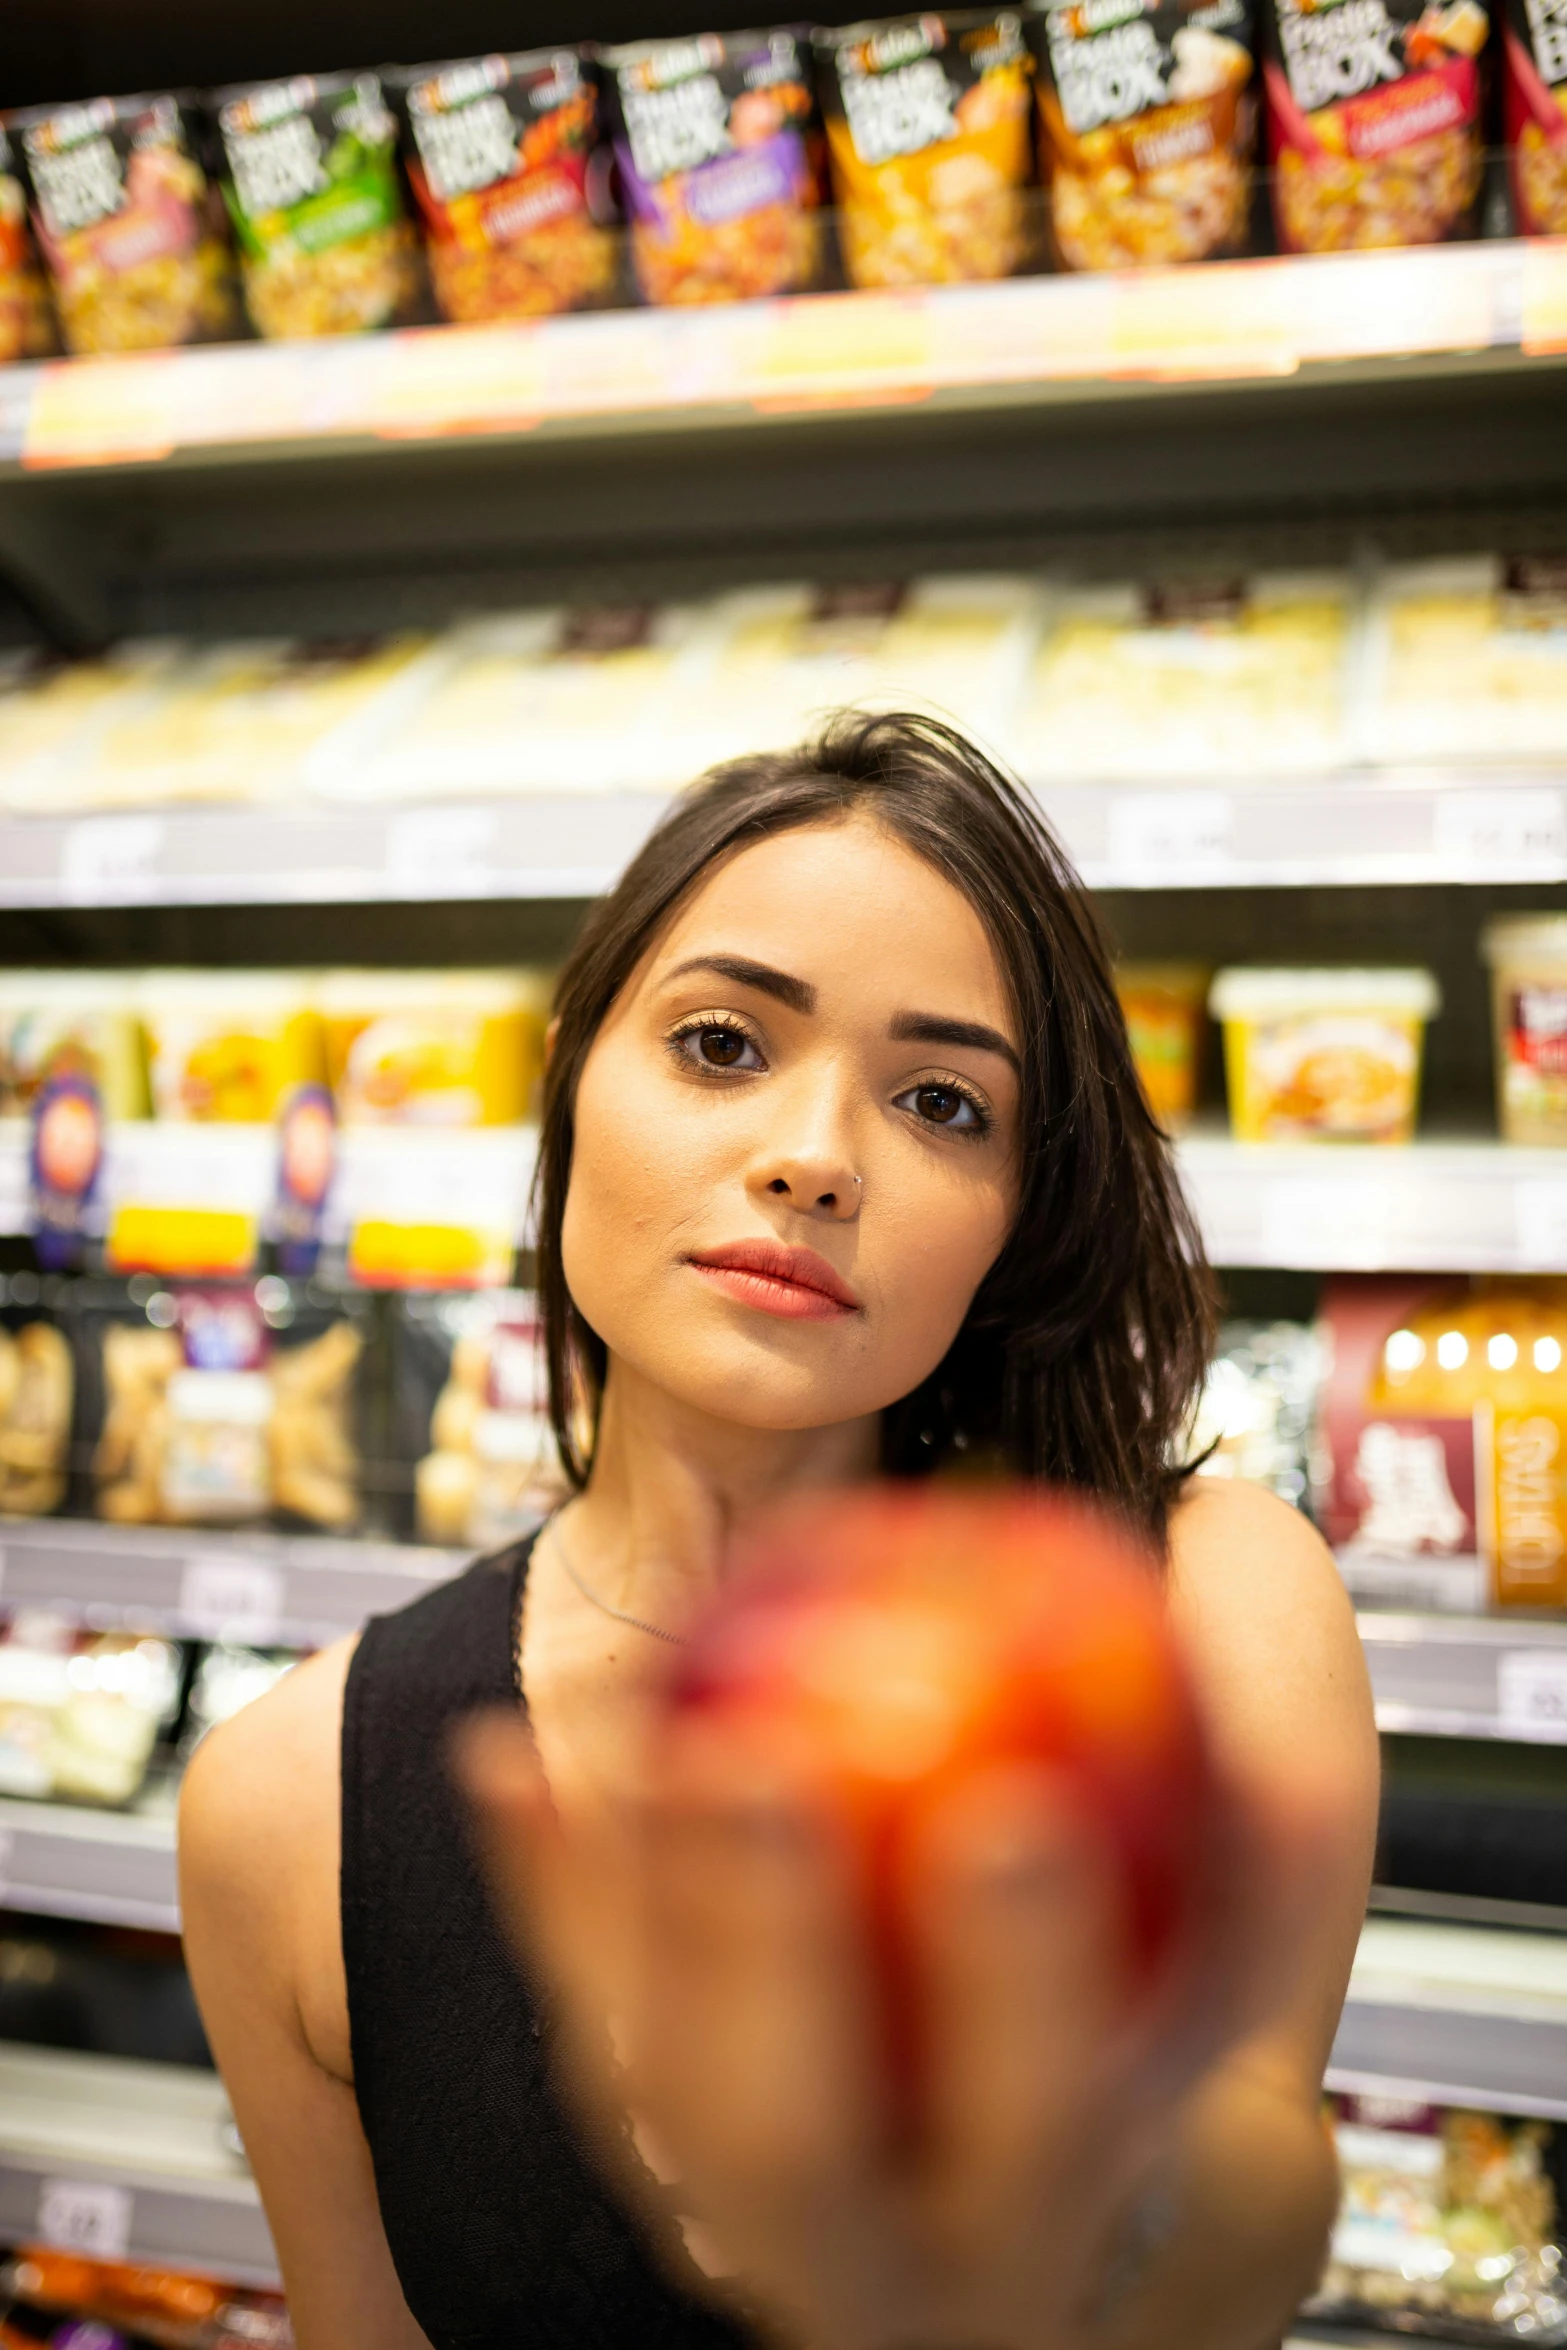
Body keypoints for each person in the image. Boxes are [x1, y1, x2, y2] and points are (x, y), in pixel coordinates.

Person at [180, 711, 1378, 2350]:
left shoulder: (1197, 1613)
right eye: (723, 1044)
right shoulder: (282, 1802)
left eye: (942, 1101)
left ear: (1016, 1220)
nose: (813, 1158)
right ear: (571, 1081)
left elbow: (1220, 2287)